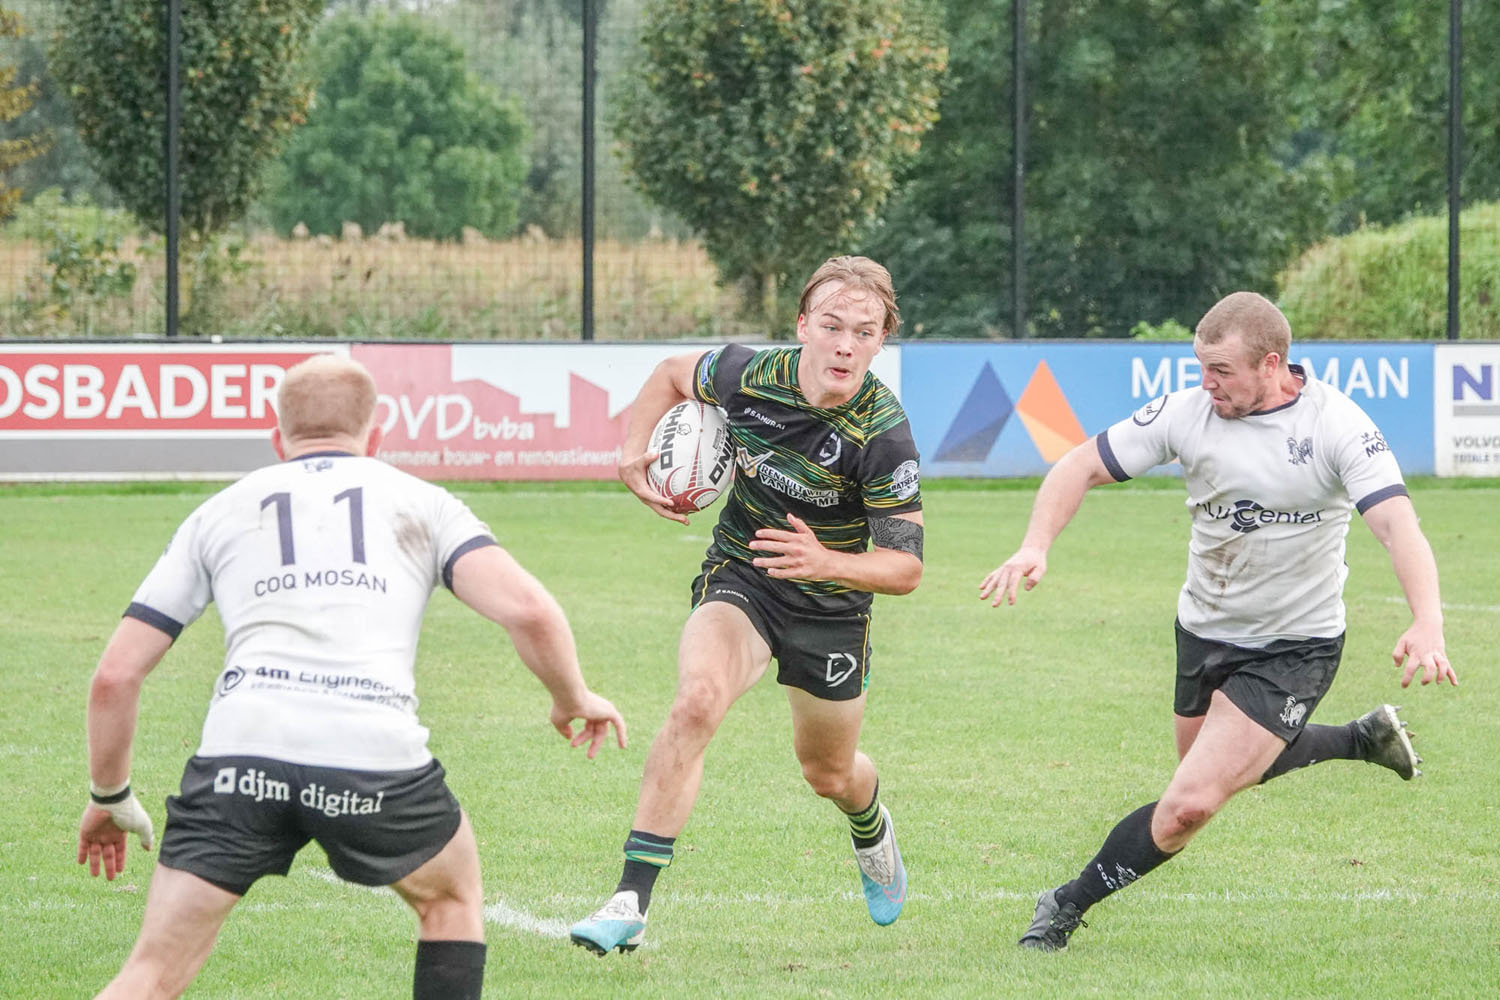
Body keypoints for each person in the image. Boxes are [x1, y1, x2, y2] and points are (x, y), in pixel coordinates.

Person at [76, 354, 626, 999]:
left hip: (240, 758)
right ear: (377, 435)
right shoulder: (425, 503)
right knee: (451, 902)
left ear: (277, 438)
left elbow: (115, 675)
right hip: (372, 758)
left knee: (152, 973)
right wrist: (571, 697)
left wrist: (110, 797)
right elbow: (529, 611)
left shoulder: (218, 511)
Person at [979, 291, 1458, 952]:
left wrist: (1427, 619)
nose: (1207, 384)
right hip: (1202, 629)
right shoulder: (1187, 412)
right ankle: (1358, 739)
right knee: (1215, 770)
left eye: (1221, 371)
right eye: (1201, 368)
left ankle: (1064, 905)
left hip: (1295, 646)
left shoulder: (1338, 426)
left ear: (1271, 364)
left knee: (1190, 805)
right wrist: (1035, 544)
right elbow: (1080, 464)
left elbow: (1397, 525)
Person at [568, 255, 925, 955]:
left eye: (864, 332)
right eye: (832, 326)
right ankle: (629, 900)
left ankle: (870, 825)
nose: (845, 345)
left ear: (882, 340)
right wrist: (632, 451)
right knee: (697, 700)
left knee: (828, 773)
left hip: (831, 608)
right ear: (803, 325)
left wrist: (827, 562)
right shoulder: (749, 374)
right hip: (745, 574)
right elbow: (672, 372)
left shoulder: (882, 434)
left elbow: (906, 566)